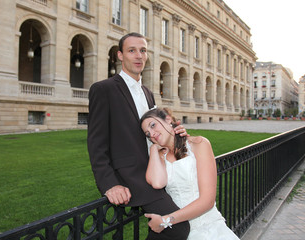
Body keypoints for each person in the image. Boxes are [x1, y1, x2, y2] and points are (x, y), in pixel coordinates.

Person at [87, 32, 190, 239]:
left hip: (158, 170)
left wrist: (176, 133)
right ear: (120, 55)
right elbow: (96, 142)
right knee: (178, 226)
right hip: (132, 177)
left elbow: (156, 131)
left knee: (165, 226)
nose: (138, 56)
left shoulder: (147, 92)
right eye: (131, 50)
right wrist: (109, 184)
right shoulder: (103, 89)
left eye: (143, 50)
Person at [140, 108, 240, 240]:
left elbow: (207, 201)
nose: (152, 134)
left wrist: (166, 221)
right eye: (148, 134)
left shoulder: (199, 144)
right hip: (181, 230)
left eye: (153, 125)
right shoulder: (159, 156)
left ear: (168, 120)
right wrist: (153, 148)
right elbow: (158, 183)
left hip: (207, 227)